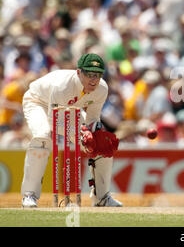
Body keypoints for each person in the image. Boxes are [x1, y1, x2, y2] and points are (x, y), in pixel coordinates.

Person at [21, 53, 122, 208]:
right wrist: (82, 133)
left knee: (101, 144)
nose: (94, 80)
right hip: (38, 102)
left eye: (98, 75)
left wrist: (93, 133)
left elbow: (92, 119)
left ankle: (101, 197)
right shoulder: (62, 86)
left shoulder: (101, 89)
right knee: (43, 136)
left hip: (71, 108)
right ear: (78, 72)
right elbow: (53, 121)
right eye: (89, 74)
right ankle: (29, 195)